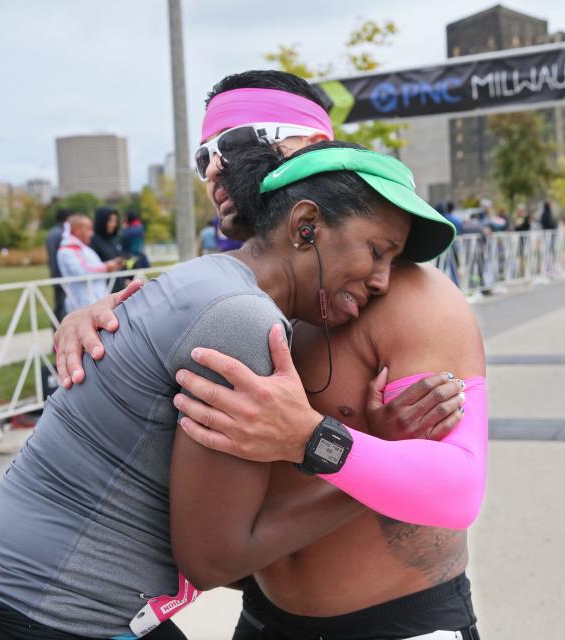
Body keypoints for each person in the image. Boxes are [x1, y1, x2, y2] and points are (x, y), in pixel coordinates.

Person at [54, 70, 487, 639]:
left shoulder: (404, 295)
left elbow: (457, 488)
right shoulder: (221, 297)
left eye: (234, 146)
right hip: (263, 618)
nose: (215, 172)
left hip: (397, 622)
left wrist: (312, 439)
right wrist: (89, 317)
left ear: (313, 151)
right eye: (203, 155)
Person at [56, 214, 121, 313]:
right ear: (77, 231)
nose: (91, 234)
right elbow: (82, 270)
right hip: (84, 303)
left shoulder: (80, 247)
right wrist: (106, 267)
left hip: (91, 300)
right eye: (88, 229)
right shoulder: (69, 249)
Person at [45, 208, 71, 321]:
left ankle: (56, 328)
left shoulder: (51, 233)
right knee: (62, 305)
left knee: (58, 303)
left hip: (54, 273)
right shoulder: (62, 234)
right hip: (62, 274)